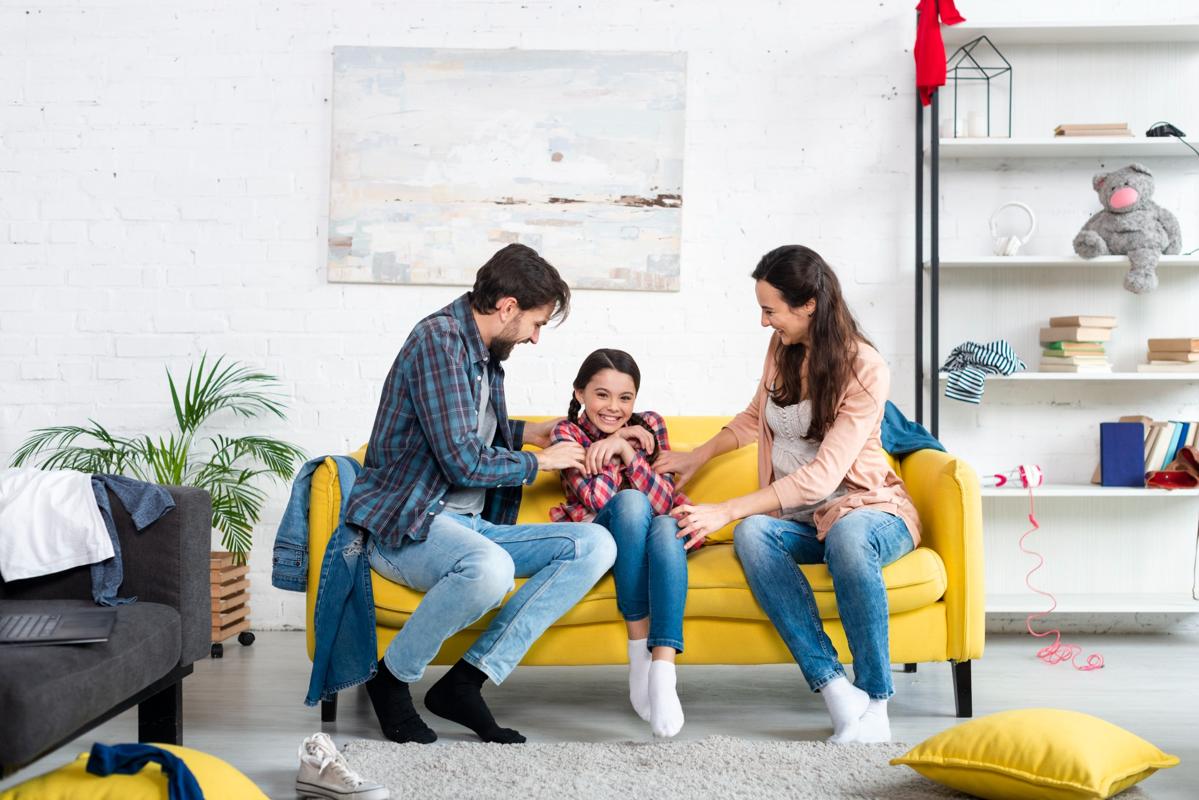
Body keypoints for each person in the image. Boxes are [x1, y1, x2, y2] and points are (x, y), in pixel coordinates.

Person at [346, 244, 618, 745]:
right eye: (536, 323)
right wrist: (542, 461)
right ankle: (391, 679)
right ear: (508, 307)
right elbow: (461, 460)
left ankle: (466, 681)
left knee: (595, 544)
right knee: (491, 569)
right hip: (409, 523)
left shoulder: (483, 353)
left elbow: (460, 428)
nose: (536, 337)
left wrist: (526, 432)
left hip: (467, 525)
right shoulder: (439, 343)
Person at [654, 245, 922, 744]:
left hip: (869, 509)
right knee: (754, 534)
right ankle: (838, 691)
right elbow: (755, 420)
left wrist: (725, 510)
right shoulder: (781, 349)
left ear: (809, 305)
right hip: (804, 520)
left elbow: (823, 479)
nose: (763, 322)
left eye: (770, 310)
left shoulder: (865, 367)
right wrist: (697, 456)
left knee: (845, 536)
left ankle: (877, 702)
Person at [548, 349, 693, 738]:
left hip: (657, 539)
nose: (614, 407)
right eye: (602, 395)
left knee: (665, 525)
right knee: (630, 502)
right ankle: (637, 650)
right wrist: (617, 442)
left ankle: (662, 669)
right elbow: (596, 499)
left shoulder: (651, 426)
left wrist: (627, 449)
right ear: (580, 394)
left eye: (625, 398)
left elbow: (665, 500)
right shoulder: (567, 433)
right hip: (605, 531)